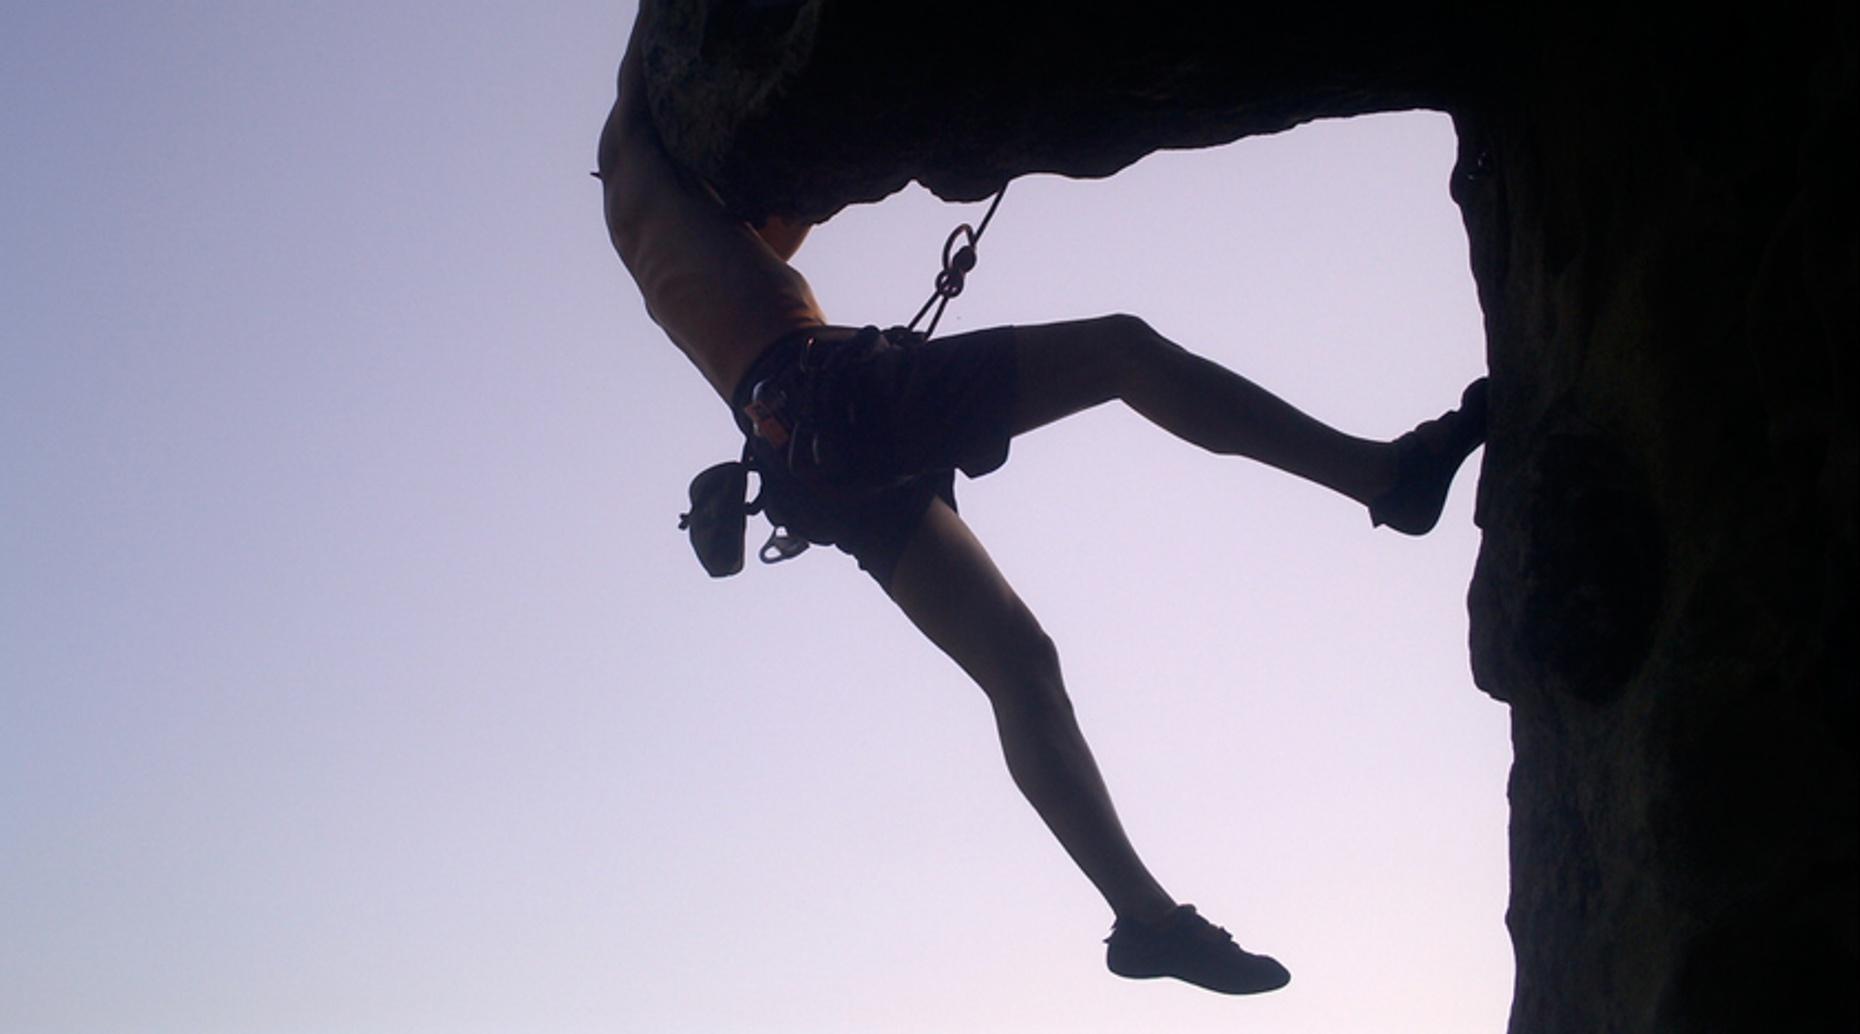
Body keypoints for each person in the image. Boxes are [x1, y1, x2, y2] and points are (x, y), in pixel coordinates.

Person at [598, 5, 1486, 996]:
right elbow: (663, 52)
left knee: (1019, 661)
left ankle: (1144, 917)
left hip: (811, 455)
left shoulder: (660, 229)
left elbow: (796, 204)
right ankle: (1384, 476)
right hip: (832, 394)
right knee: (1121, 350)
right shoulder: (636, 134)